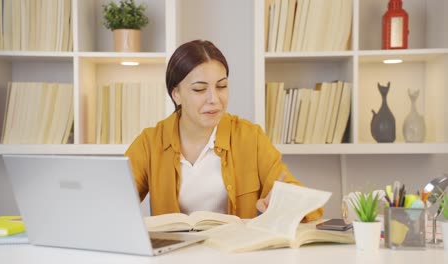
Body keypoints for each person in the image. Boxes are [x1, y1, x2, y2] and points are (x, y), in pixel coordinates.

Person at [125, 39, 323, 221]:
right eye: (200, 89)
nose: (214, 99)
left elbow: (306, 205)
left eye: (221, 86)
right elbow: (113, 201)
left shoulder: (249, 137)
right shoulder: (150, 142)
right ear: (176, 94)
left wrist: (285, 201)